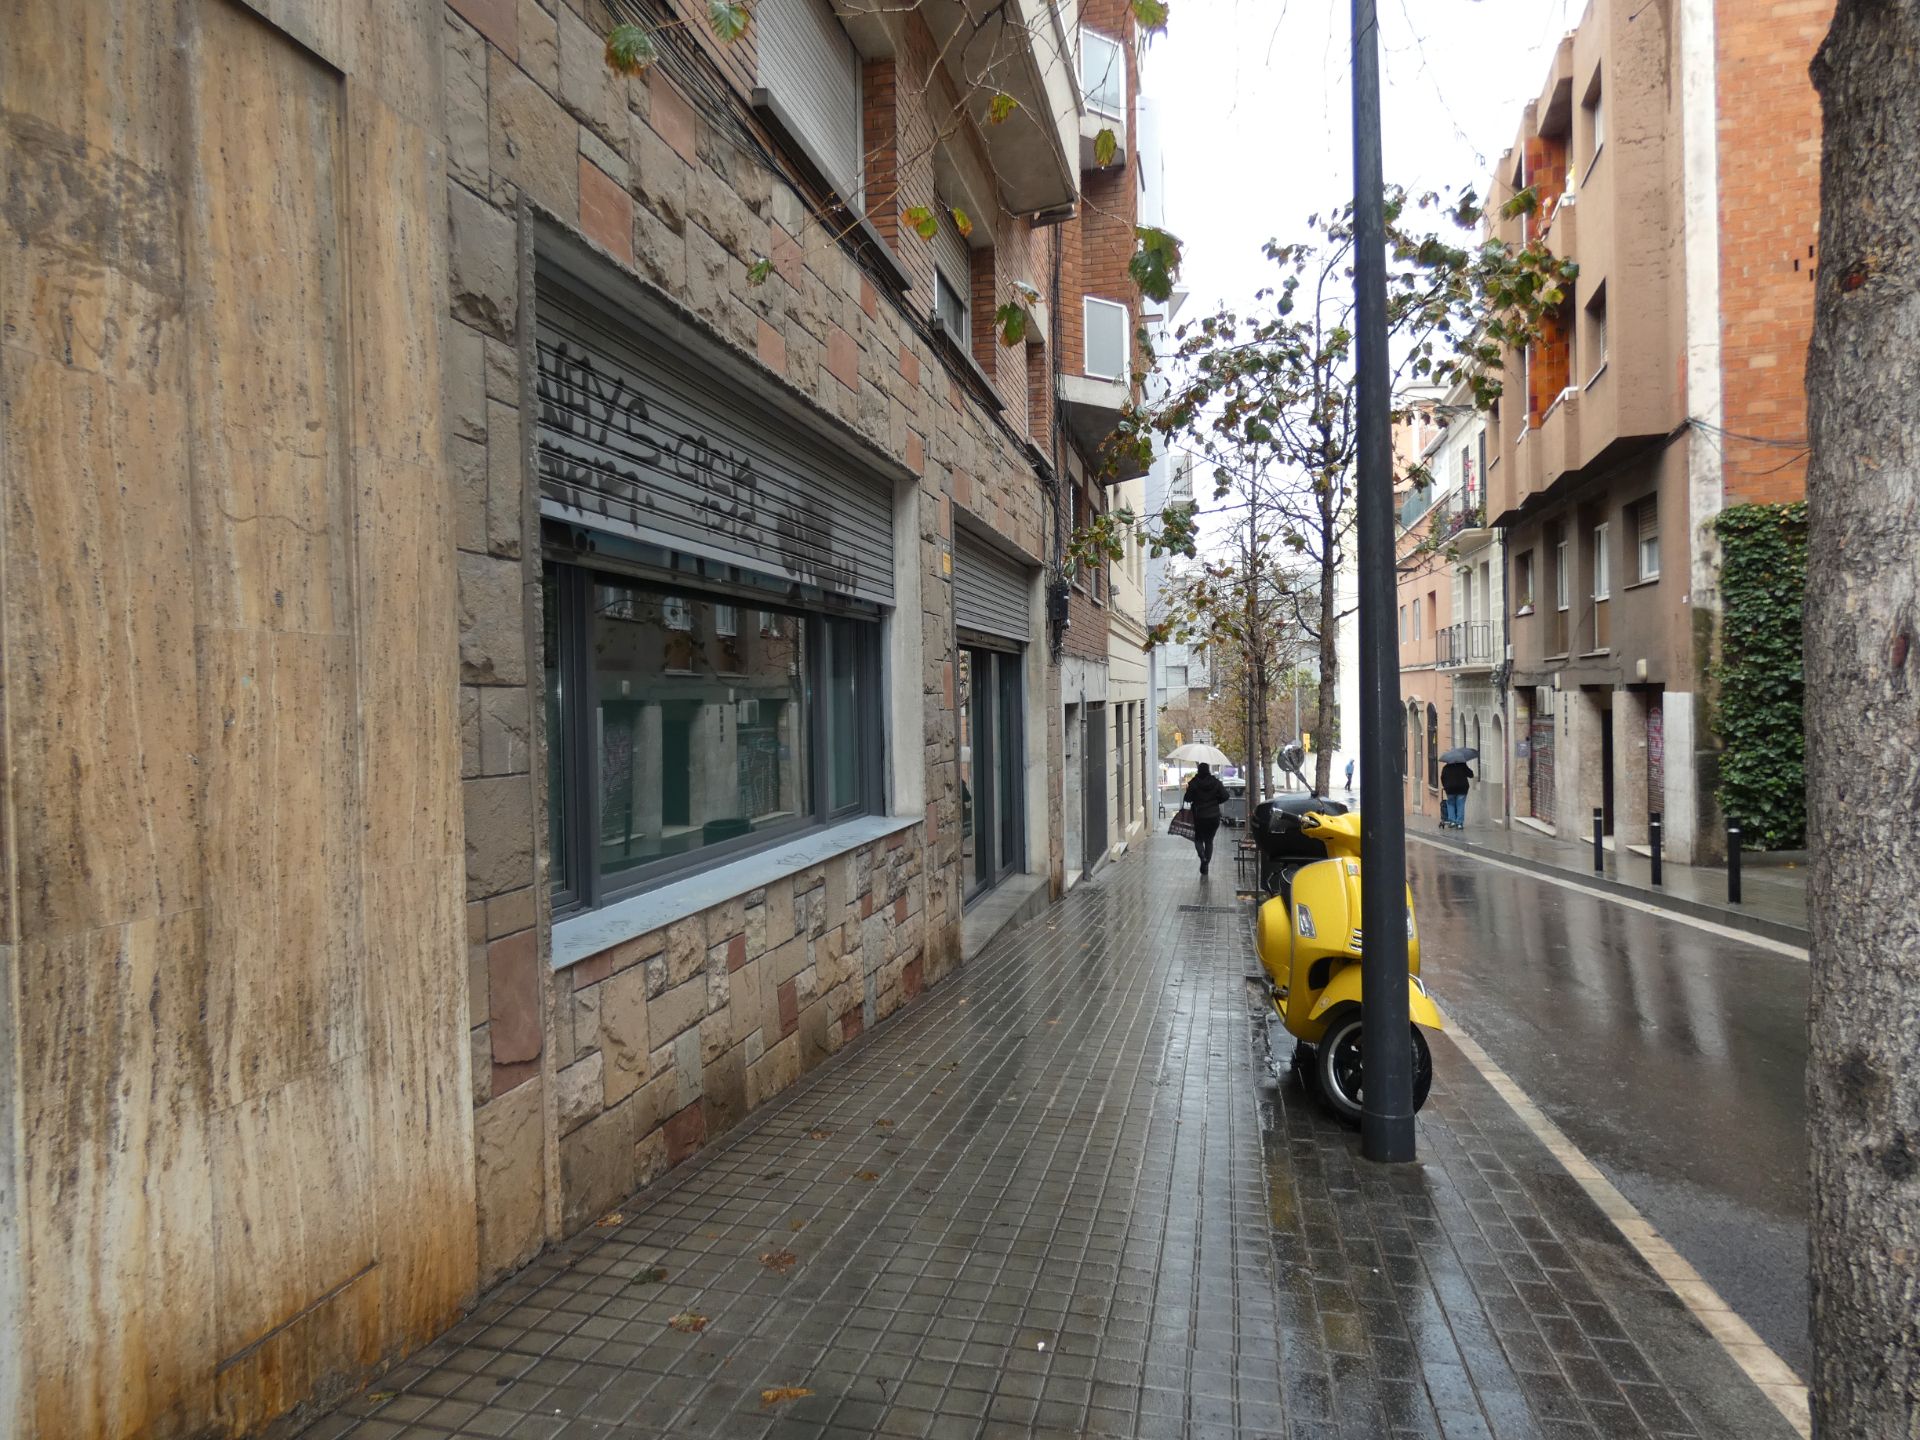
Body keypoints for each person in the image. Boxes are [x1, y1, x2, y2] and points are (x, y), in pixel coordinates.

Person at [1183, 762, 1229, 876]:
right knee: (1209, 841)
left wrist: (1191, 793)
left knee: (1198, 839)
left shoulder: (1194, 783)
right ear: (1208, 770)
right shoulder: (1216, 783)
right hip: (1213, 816)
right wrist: (1216, 801)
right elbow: (1226, 796)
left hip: (1199, 816)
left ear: (1198, 771)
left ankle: (1203, 858)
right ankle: (1206, 864)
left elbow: (1187, 799)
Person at [1440, 759, 1473, 829]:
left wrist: (1445, 786)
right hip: (1462, 789)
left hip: (1450, 789)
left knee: (1451, 804)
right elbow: (1471, 775)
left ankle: (1452, 821)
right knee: (1460, 805)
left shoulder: (1446, 768)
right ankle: (1459, 823)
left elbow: (1442, 778)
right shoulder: (1462, 765)